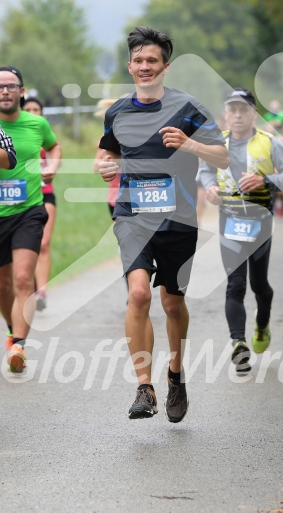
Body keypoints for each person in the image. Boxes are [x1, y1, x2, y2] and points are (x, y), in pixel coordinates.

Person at [98, 26, 228, 421]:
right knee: (138, 294)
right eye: (138, 60)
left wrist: (189, 144)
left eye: (152, 60)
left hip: (179, 219)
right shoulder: (118, 110)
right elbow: (106, 155)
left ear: (165, 66)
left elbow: (223, 157)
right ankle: (144, 388)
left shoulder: (189, 107)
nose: (144, 66)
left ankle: (175, 375)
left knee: (172, 302)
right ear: (130, 65)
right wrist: (105, 167)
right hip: (132, 215)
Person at [198, 88, 283, 373]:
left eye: (244, 109)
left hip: (260, 219)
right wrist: (210, 187)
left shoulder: (270, 143)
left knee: (258, 285)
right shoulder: (217, 144)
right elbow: (205, 171)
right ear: (226, 114)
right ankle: (238, 344)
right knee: (235, 284)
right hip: (229, 218)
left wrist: (265, 180)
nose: (239, 114)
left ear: (254, 114)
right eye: (233, 109)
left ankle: (262, 324)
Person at [0, 66, 61, 373]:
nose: (5, 91)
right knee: (3, 286)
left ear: (21, 92)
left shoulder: (36, 123)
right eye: (0, 87)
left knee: (24, 278)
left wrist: (53, 166)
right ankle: (13, 331)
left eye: (11, 86)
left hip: (28, 209)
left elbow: (53, 146)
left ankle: (19, 346)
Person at [23, 97, 61, 310]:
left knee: (44, 243)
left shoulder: (44, 134)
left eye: (36, 109)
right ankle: (27, 285)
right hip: (20, 196)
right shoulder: (13, 133)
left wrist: (50, 166)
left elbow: (57, 153)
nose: (33, 112)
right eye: (28, 109)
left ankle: (41, 292)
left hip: (45, 194)